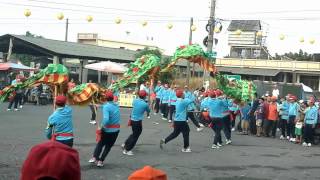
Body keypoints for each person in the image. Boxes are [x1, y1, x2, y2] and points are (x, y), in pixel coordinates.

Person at [89, 91, 120, 167]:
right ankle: (101, 161)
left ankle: (95, 157)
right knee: (108, 146)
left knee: (100, 143)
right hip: (116, 130)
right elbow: (108, 106)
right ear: (112, 98)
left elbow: (106, 119)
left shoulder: (106, 107)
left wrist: (101, 127)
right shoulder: (116, 105)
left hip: (107, 129)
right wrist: (99, 105)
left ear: (105, 98)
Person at [122, 90, 150, 156]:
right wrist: (146, 103)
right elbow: (148, 110)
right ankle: (127, 149)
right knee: (136, 136)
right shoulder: (145, 104)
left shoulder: (135, 101)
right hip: (137, 121)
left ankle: (125, 143)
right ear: (144, 96)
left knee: (134, 133)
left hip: (132, 119)